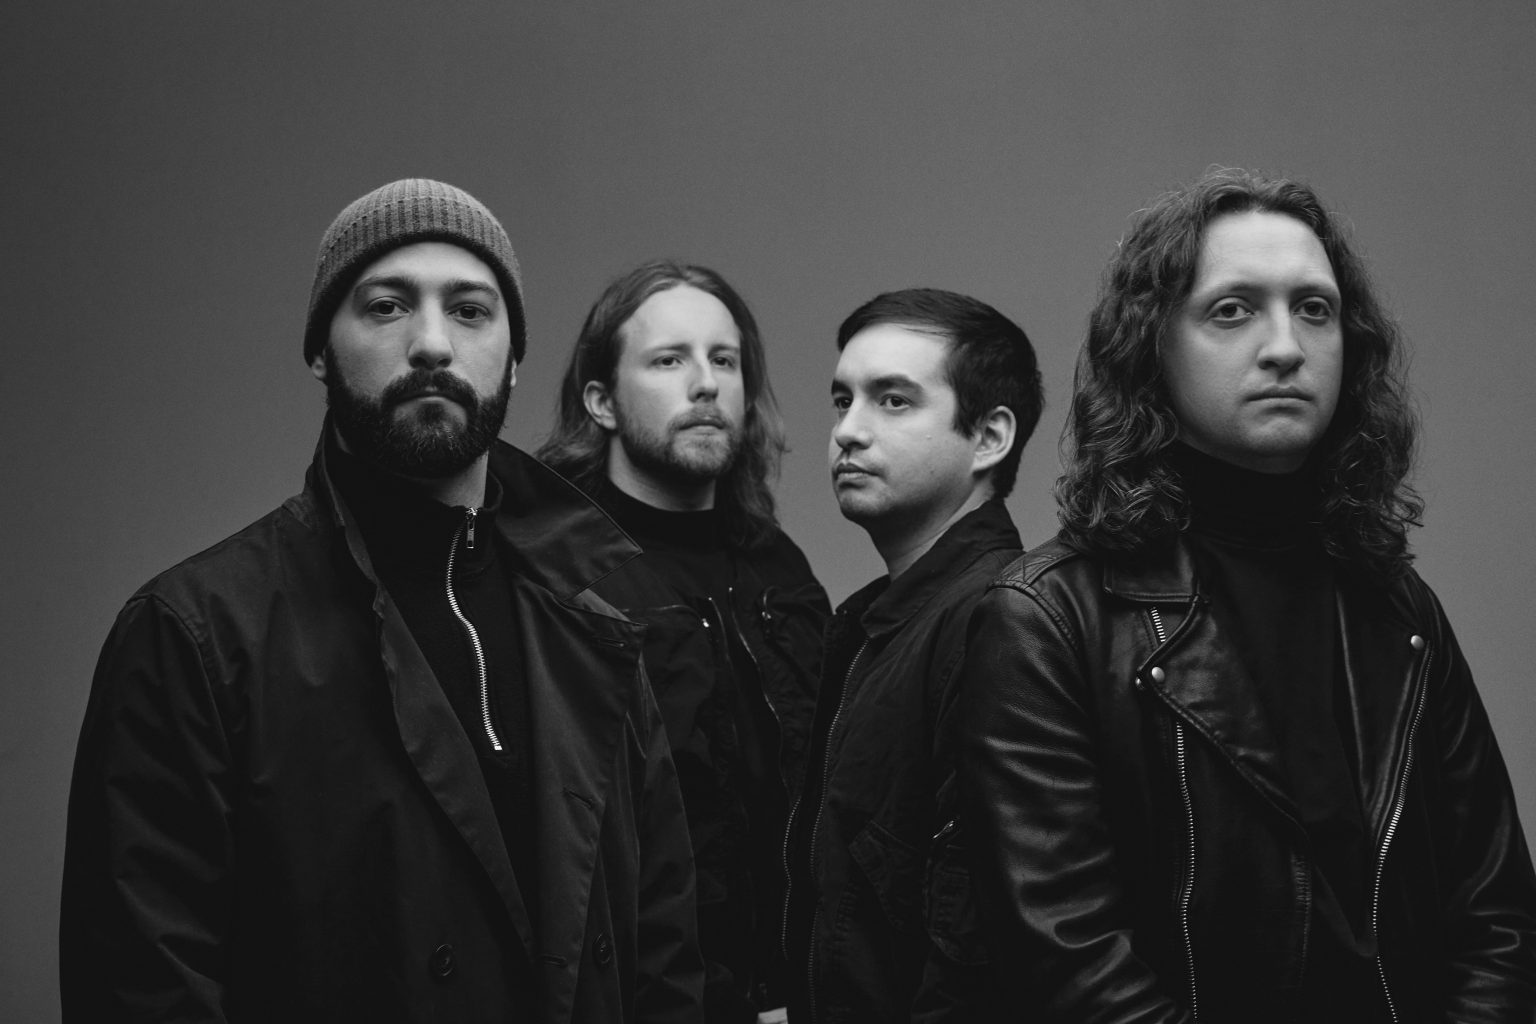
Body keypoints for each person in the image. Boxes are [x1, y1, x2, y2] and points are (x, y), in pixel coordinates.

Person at [60, 179, 703, 1023]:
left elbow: (664, 965)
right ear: (321, 352)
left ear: (513, 359)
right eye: (387, 306)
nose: (432, 343)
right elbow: (144, 985)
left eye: (470, 311)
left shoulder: (595, 633)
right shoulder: (195, 633)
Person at [959, 168, 1536, 1022]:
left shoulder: (1400, 611)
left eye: (1315, 309)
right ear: (1151, 348)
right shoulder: (1046, 620)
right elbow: (1071, 966)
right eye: (1233, 310)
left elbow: (1500, 923)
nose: (1286, 347)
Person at [539, 260, 830, 1023]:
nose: (706, 385)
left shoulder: (779, 567)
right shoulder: (558, 578)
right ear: (601, 401)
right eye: (669, 360)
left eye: (724, 361)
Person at [781, 288, 1044, 1021]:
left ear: (989, 437)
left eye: (893, 401)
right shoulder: (878, 623)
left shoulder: (996, 622)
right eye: (842, 401)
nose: (848, 432)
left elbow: (980, 956)